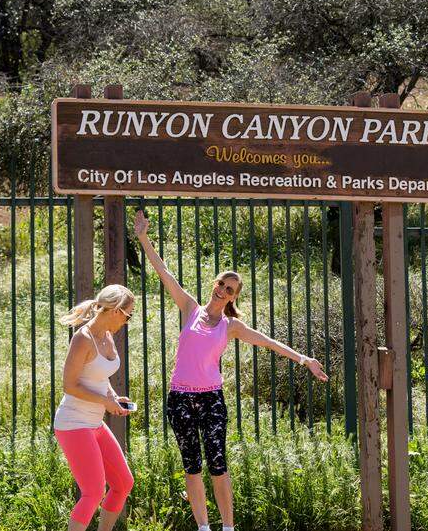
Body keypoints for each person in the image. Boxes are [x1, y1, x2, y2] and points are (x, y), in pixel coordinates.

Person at [134, 209, 328, 531]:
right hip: (179, 399)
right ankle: (203, 528)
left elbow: (268, 342)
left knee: (218, 464)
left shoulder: (231, 326)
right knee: (192, 466)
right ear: (215, 285)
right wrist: (143, 238)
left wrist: (304, 359)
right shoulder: (190, 309)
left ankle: (228, 527)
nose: (223, 290)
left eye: (230, 289)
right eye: (222, 284)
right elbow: (165, 273)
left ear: (233, 297)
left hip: (211, 399)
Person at [53, 284, 137, 531]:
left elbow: (99, 377)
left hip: (94, 423)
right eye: (128, 315)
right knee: (93, 492)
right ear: (116, 311)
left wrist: (113, 397)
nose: (127, 321)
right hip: (73, 423)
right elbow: (69, 385)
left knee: (123, 483)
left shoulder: (107, 336)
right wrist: (104, 401)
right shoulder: (83, 338)